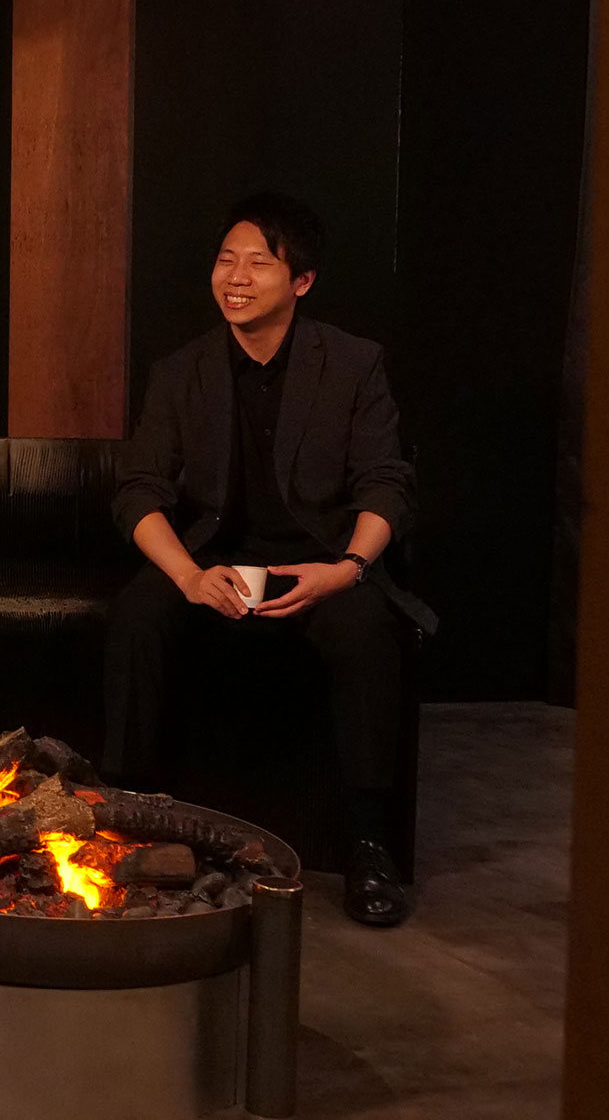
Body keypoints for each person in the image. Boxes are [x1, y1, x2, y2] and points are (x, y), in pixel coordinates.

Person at [104, 192, 437, 927]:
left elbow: (386, 481)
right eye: (227, 259)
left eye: (260, 262)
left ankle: (367, 841)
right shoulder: (181, 370)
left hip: (319, 561)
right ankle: (128, 814)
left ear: (303, 282)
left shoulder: (353, 365)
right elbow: (138, 490)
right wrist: (188, 576)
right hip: (212, 560)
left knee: (363, 632)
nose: (237, 277)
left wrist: (348, 566)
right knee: (138, 613)